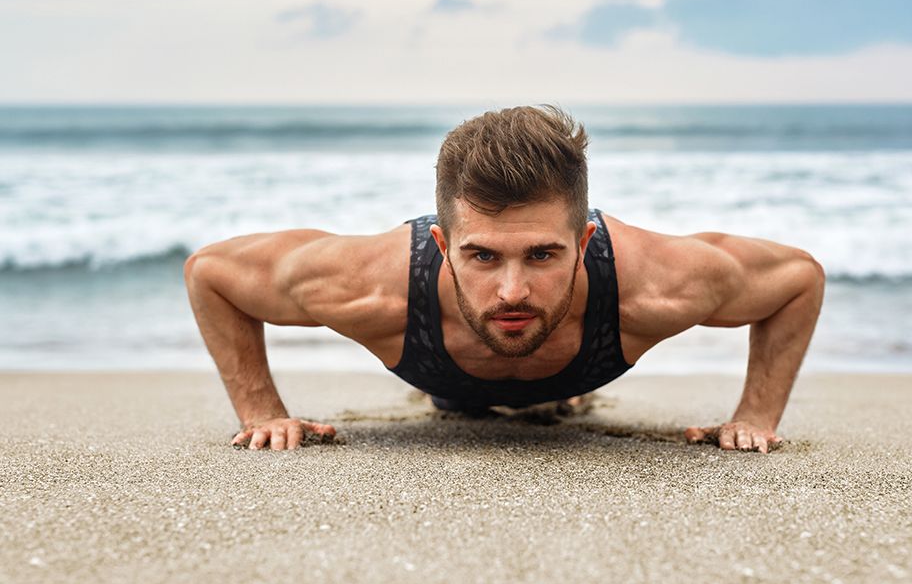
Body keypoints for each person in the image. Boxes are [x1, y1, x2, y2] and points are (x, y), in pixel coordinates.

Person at [185, 105, 824, 453]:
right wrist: (263, 412)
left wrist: (756, 417)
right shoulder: (369, 287)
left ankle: (566, 395)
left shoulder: (658, 284)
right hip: (445, 377)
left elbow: (797, 278)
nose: (512, 290)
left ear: (585, 241)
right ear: (441, 244)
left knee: (557, 395)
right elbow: (212, 273)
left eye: (543, 255)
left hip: (578, 366)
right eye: (483, 256)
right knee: (455, 399)